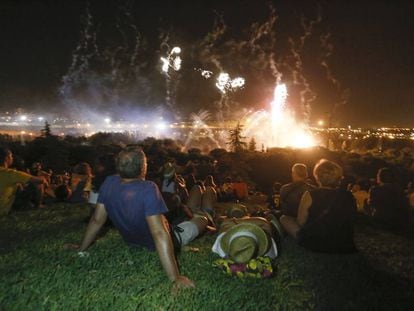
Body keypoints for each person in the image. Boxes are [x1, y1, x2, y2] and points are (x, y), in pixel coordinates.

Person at [76, 146, 207, 291]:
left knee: (186, 212)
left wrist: (81, 248)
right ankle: (202, 214)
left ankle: (195, 212)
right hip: (167, 238)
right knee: (203, 220)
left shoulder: (109, 183)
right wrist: (174, 278)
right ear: (143, 167)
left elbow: (97, 220)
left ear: (118, 167)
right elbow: (158, 233)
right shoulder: (148, 188)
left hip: (133, 240)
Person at [280, 159, 357, 253]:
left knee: (284, 219)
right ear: (338, 177)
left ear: (317, 176)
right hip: (344, 244)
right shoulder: (348, 195)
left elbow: (301, 222)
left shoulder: (310, 194)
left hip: (316, 243)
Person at [0, 146, 48, 216]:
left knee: (18, 185)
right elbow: (40, 180)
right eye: (11, 156)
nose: (12, 158)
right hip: (2, 210)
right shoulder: (10, 173)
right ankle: (38, 205)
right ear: (7, 158)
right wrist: (43, 177)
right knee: (38, 184)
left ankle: (26, 205)